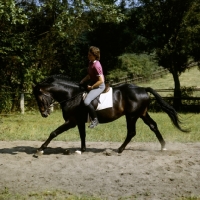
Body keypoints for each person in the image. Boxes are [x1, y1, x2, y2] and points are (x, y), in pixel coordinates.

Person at [80, 46, 105, 128]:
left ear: (95, 55)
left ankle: (95, 119)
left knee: (86, 102)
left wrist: (92, 87)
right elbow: (89, 75)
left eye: (90, 55)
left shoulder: (97, 65)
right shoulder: (91, 63)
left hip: (99, 86)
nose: (88, 56)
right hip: (92, 83)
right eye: (88, 54)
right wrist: (83, 81)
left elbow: (101, 80)